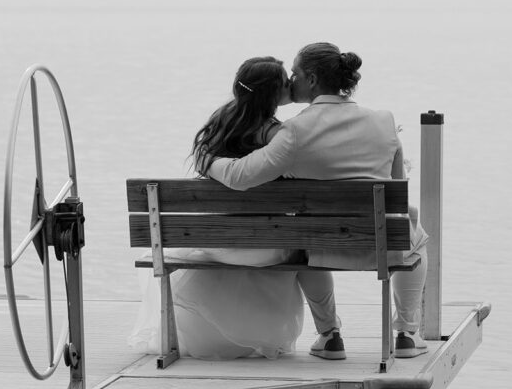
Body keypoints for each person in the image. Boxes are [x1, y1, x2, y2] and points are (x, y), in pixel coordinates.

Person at [206, 42, 429, 361]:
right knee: (415, 236)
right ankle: (407, 334)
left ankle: (330, 335)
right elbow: (397, 188)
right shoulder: (384, 120)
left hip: (321, 247)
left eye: (294, 74)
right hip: (382, 244)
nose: (290, 80)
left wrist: (208, 162)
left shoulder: (295, 130)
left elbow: (240, 176)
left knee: (303, 236)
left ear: (311, 79)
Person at [128, 57, 305, 360]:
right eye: (285, 82)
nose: (290, 84)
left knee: (219, 249)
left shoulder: (218, 125)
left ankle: (214, 336)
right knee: (293, 248)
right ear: (273, 93)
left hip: (217, 240)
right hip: (265, 247)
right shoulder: (278, 135)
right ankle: (262, 335)